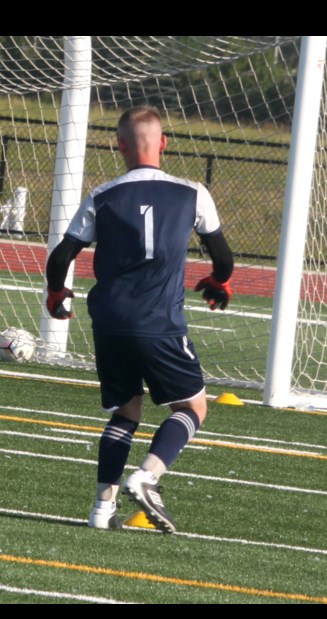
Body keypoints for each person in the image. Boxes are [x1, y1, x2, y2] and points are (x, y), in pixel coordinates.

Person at [45, 106, 234, 533]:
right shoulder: (192, 192)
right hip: (159, 322)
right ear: (164, 143)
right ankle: (148, 476)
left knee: (126, 411)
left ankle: (101, 510)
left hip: (109, 321)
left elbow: (61, 256)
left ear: (120, 146)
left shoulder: (102, 195)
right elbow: (223, 257)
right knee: (193, 407)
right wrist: (219, 281)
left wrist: (57, 293)